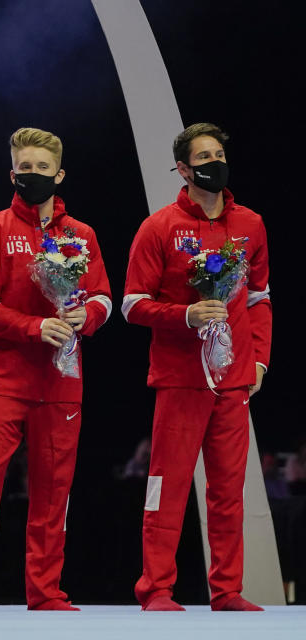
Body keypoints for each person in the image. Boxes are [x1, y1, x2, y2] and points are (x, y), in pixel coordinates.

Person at [0, 127, 112, 611]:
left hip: (61, 378)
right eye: (24, 167)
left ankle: (46, 591)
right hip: (3, 377)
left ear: (59, 174)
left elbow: (102, 296)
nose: (31, 175)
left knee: (54, 489)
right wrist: (35, 328)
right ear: (12, 172)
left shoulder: (83, 235)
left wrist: (86, 316)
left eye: (41, 167)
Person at [123, 122, 272, 611]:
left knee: (229, 491)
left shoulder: (250, 223)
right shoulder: (159, 226)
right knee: (167, 487)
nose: (215, 163)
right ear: (183, 169)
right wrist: (184, 315)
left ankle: (227, 591)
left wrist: (260, 359)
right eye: (203, 157)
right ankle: (157, 590)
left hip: (233, 380)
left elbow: (259, 298)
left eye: (219, 154)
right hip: (180, 378)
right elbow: (131, 304)